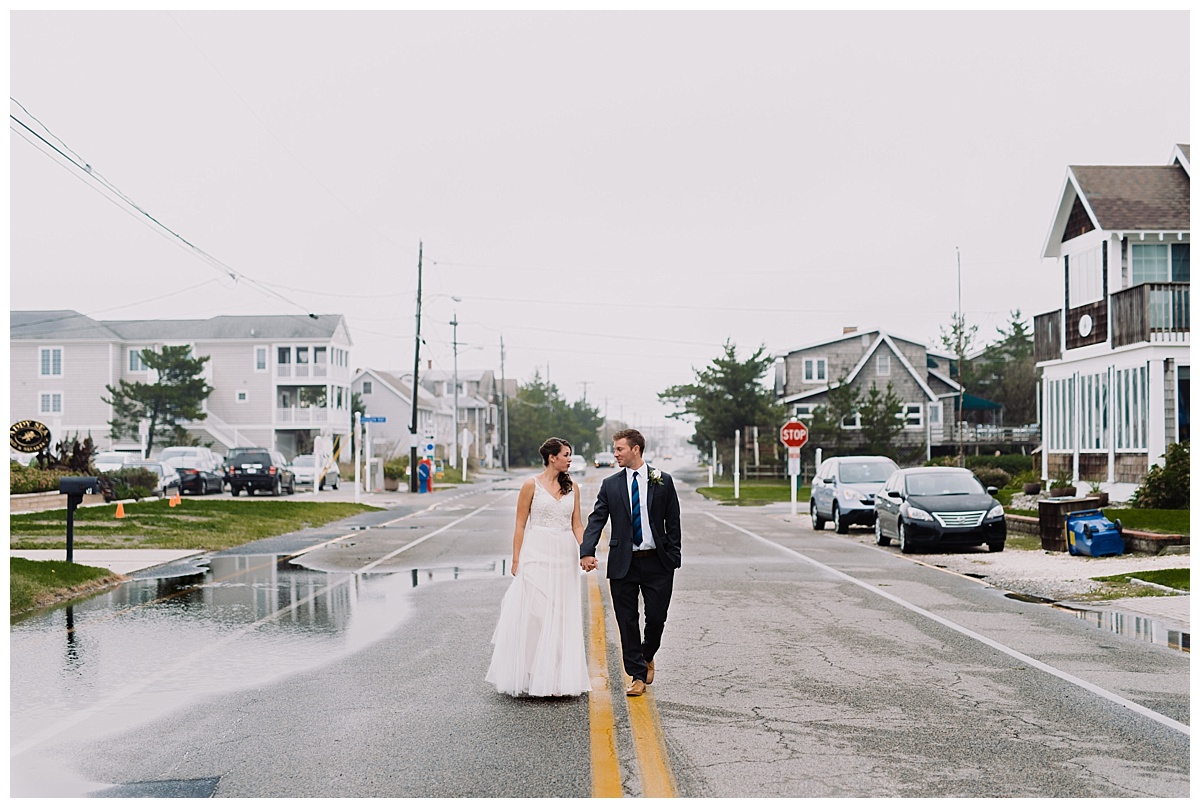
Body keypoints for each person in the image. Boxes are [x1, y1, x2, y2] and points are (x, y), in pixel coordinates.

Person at [485, 437, 592, 697]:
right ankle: (532, 671)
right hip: (536, 551)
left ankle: (555, 676)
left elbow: (577, 524)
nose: (569, 459)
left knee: (560, 614)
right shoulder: (530, 485)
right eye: (566, 455)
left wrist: (585, 551)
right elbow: (520, 523)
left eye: (570, 454)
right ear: (552, 457)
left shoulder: (573, 487)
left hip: (564, 553)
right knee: (536, 612)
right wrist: (516, 559)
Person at [580, 429, 681, 697]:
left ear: (635, 449)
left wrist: (674, 556)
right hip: (624, 562)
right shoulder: (610, 485)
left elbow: (673, 521)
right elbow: (596, 519)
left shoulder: (663, 482)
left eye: (619, 449)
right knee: (626, 621)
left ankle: (647, 655)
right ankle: (637, 675)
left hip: (658, 562)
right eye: (614, 449)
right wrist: (586, 550)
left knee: (657, 618)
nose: (615, 454)